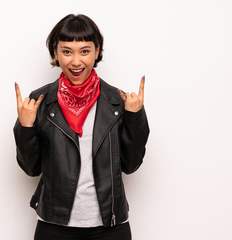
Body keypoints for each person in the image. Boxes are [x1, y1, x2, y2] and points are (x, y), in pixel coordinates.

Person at [13, 14, 149, 240]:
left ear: (97, 52)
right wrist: (26, 126)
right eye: (67, 51)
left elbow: (131, 165)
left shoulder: (118, 102)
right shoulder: (39, 102)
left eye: (84, 51)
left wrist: (135, 117)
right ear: (56, 53)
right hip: (53, 226)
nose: (76, 62)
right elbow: (31, 169)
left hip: (111, 227)